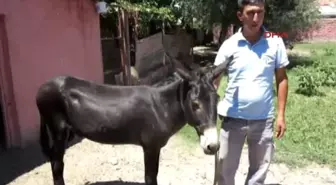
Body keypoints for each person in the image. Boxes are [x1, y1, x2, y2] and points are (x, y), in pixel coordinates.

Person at [213, 0, 289, 185]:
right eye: (251, 13)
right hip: (232, 119)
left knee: (258, 173)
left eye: (260, 12)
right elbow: (214, 82)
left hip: (263, 121)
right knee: (224, 172)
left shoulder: (275, 41)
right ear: (240, 16)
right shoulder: (230, 45)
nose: (256, 18)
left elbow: (282, 79)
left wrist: (280, 115)